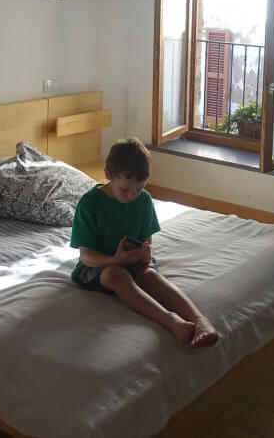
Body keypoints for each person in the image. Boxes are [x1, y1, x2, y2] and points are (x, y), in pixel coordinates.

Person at [70, 137, 219, 348]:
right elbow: (85, 255)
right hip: (97, 267)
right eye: (125, 189)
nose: (132, 195)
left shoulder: (144, 200)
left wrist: (144, 253)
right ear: (107, 175)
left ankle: (199, 320)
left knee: (149, 275)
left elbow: (147, 242)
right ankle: (171, 321)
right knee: (116, 274)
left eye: (138, 189)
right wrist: (114, 259)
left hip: (130, 261)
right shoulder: (90, 203)